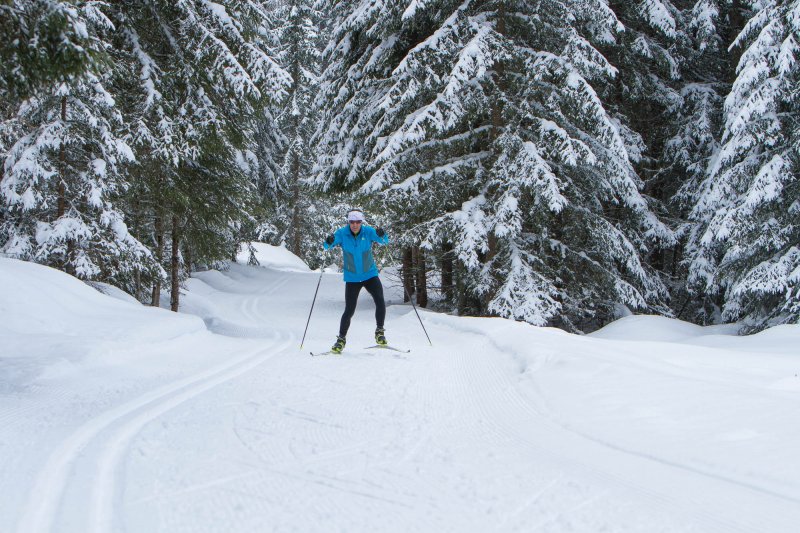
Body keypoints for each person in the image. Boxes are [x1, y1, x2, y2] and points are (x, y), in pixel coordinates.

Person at [323, 209, 389, 353]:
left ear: (361, 222)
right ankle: (341, 340)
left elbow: (384, 241)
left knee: (380, 300)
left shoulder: (368, 232)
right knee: (349, 310)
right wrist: (328, 241)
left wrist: (382, 234)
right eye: (352, 222)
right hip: (352, 278)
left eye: (358, 222)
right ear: (349, 222)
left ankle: (380, 333)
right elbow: (327, 246)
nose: (355, 225)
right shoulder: (342, 233)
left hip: (370, 274)